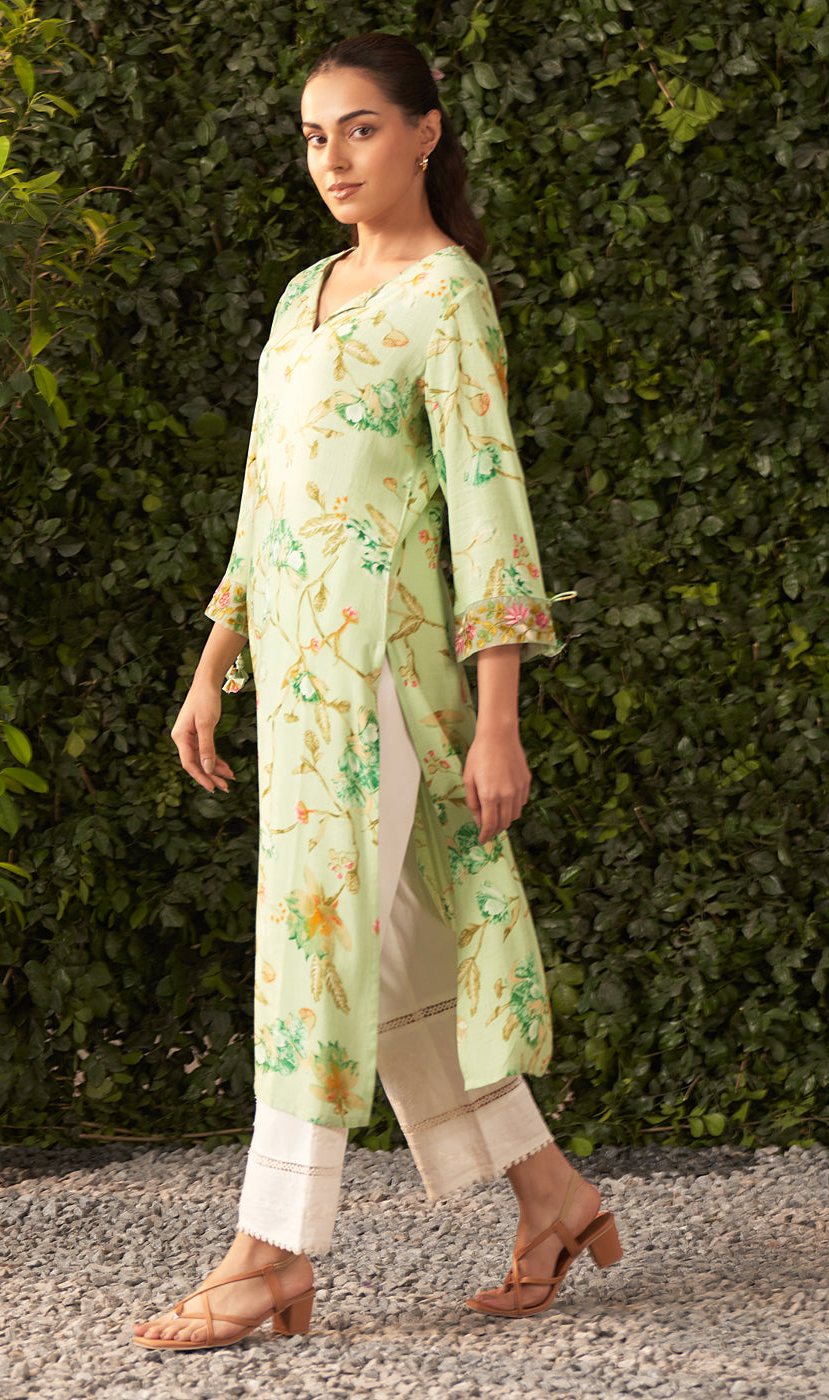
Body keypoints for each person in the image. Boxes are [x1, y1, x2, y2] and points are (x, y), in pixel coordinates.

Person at [134, 33, 620, 1352]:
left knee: (312, 945)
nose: (334, 158)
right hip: (296, 687)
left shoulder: (447, 297)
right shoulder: (305, 295)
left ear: (424, 132)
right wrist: (212, 666)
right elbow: (265, 498)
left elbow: (487, 505)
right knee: (395, 941)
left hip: (387, 687)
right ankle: (551, 1197)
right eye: (314, 136)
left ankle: (270, 1252)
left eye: (359, 128)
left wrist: (498, 718)